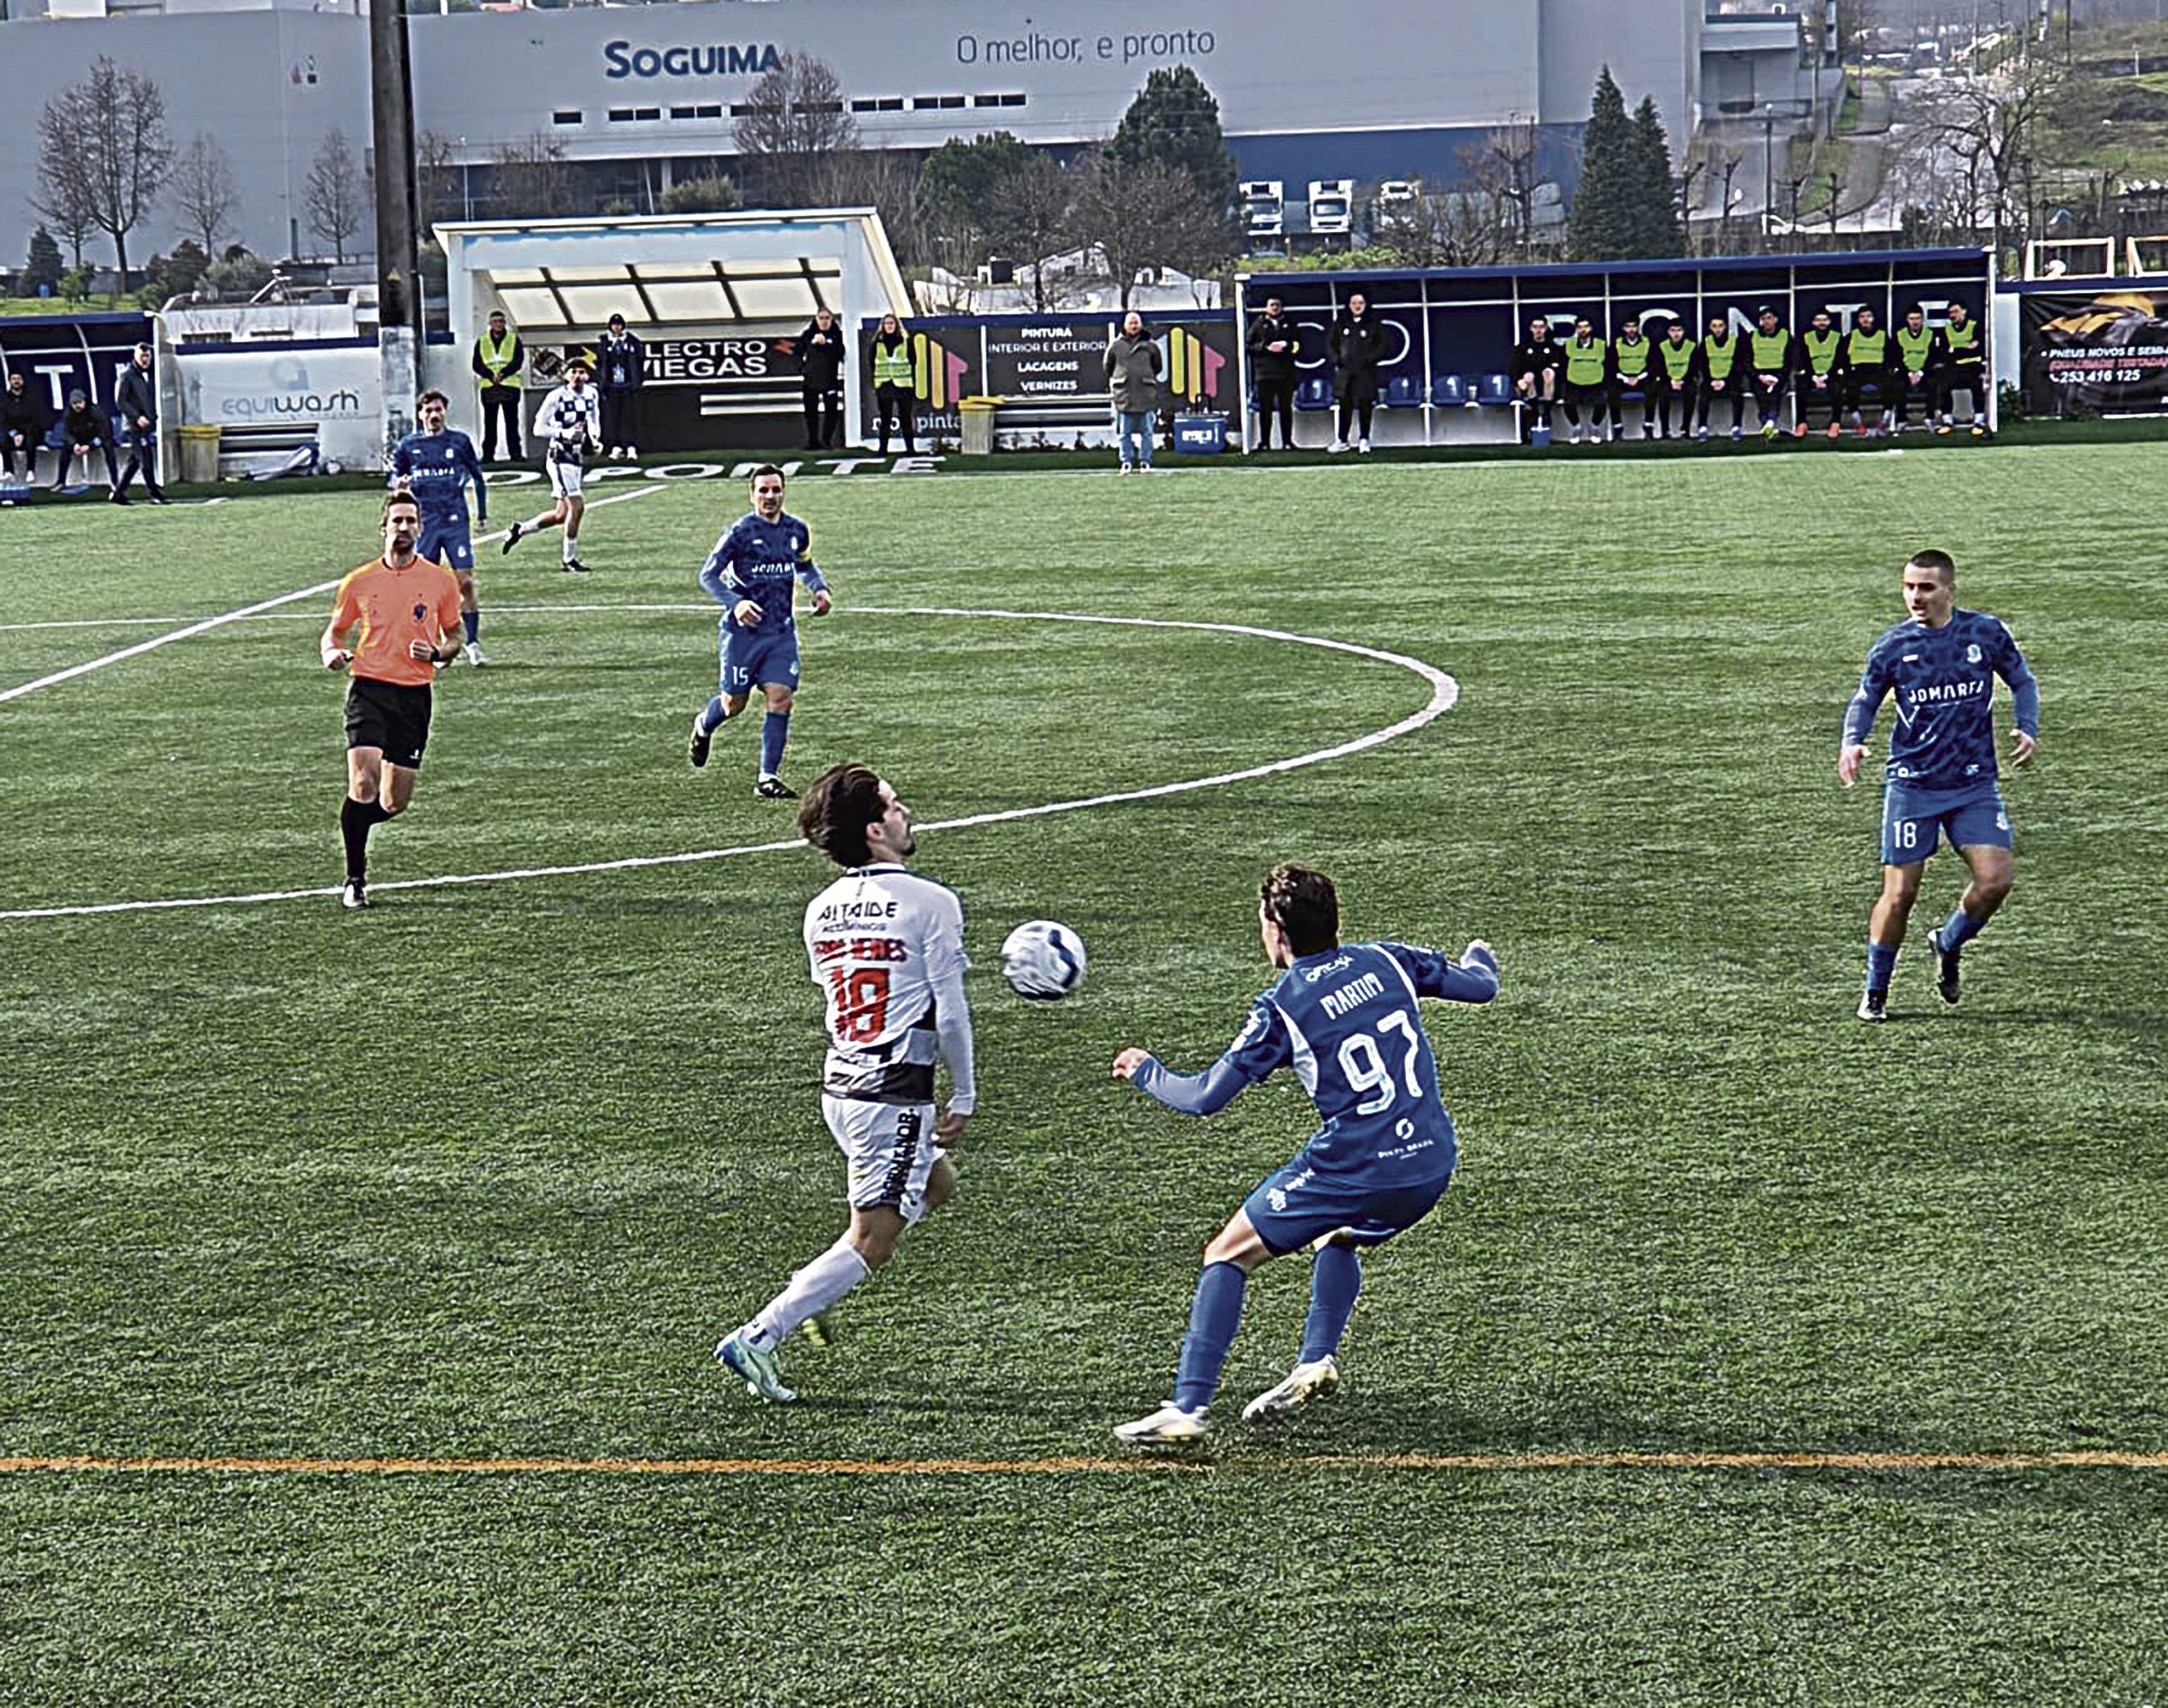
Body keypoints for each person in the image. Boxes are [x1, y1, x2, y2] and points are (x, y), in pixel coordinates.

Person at [1109, 863, 1501, 1445]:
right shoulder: (1387, 959)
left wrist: (1147, 1070)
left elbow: (1204, 1098)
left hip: (1358, 1166)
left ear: (1277, 930)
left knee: (1226, 1252)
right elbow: (1481, 986)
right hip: (1431, 1163)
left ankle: (1187, 1408)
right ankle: (1315, 1361)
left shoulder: (1282, 1007)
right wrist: (1479, 953)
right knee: (1337, 1232)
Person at [714, 763, 975, 1404]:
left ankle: (821, 1284)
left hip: (841, 1088)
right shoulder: (931, 903)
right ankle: (760, 1334)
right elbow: (949, 1010)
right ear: (875, 830)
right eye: (894, 804)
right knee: (873, 1240)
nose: (905, 811)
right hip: (891, 1096)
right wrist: (965, 1093)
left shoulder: (820, 911)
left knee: (937, 1182)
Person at [1839, 549, 2039, 1022]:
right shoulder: (1893, 646)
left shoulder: (1984, 633)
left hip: (1973, 783)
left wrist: (2027, 727)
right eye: (1909, 587)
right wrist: (1852, 742)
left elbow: (2022, 680)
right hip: (1913, 786)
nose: (1915, 596)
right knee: (1900, 895)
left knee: (1996, 881)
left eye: (1926, 587)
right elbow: (1866, 698)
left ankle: (1947, 942)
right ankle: (1875, 992)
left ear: (1950, 589)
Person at [318, 490, 465, 910]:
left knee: (393, 802)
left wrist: (438, 652)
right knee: (362, 782)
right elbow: (334, 632)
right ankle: (355, 879)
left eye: (410, 521)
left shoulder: (440, 581)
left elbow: (455, 634)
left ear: (420, 528)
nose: (404, 528)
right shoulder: (359, 581)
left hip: (414, 696)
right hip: (368, 689)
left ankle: (357, 824)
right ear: (383, 528)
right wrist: (331, 653)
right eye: (397, 521)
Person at [687, 464, 832, 799]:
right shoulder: (740, 533)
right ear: (752, 495)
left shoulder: (797, 530)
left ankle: (767, 777)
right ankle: (704, 725)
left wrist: (819, 588)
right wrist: (736, 603)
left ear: (783, 492)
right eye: (763, 490)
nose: (770, 496)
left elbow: (805, 564)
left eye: (776, 489)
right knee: (733, 704)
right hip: (742, 636)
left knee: (781, 698)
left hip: (780, 633)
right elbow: (708, 575)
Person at [390, 390, 489, 666]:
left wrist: (482, 513)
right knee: (425, 588)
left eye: (438, 410)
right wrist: (399, 490)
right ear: (420, 414)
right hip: (425, 526)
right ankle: (437, 646)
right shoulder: (408, 446)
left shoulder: (459, 441)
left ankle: (472, 643)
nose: (434, 415)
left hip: (455, 520)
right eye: (429, 410)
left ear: (445, 412)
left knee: (465, 582)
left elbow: (477, 477)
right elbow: (396, 481)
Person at [502, 357, 599, 573]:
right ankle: (569, 560)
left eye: (582, 372)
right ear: (565, 375)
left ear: (587, 375)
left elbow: (594, 419)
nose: (577, 376)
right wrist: (565, 434)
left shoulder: (592, 394)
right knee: (577, 507)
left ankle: (519, 530)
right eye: (573, 371)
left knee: (561, 515)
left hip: (576, 458)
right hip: (559, 457)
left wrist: (594, 439)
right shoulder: (556, 397)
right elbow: (538, 428)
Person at [1104, 309, 1163, 473]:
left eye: (1136, 322)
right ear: (1125, 325)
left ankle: (1145, 462)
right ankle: (1126, 462)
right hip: (1124, 395)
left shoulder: (1151, 346)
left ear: (1141, 325)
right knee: (1124, 433)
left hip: (1146, 395)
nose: (1134, 326)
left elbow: (1157, 366)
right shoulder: (1115, 346)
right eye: (1130, 323)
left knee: (1147, 433)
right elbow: (1108, 367)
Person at [1328, 291, 1385, 453]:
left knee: (1365, 405)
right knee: (1344, 406)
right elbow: (1331, 344)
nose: (1357, 306)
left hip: (1365, 372)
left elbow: (1383, 346)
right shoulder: (1341, 322)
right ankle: (1342, 440)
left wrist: (1370, 359)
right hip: (1345, 373)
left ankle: (1364, 439)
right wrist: (1337, 359)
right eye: (1354, 303)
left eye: (1360, 303)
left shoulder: (1373, 323)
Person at [113, 342, 169, 505]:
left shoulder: (146, 375)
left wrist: (152, 417)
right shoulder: (126, 375)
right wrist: (137, 417)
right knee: (145, 459)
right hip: (133, 426)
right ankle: (155, 493)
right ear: (135, 357)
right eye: (142, 356)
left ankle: (118, 494)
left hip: (144, 426)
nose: (145, 359)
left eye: (147, 356)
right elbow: (120, 401)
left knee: (135, 461)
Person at [471, 308, 524, 463]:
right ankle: (488, 455)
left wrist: (503, 374)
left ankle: (515, 454)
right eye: (495, 321)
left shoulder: (513, 339)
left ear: (505, 323)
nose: (498, 324)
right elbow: (476, 364)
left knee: (512, 422)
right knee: (490, 422)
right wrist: (490, 375)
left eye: (501, 321)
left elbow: (518, 360)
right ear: (490, 323)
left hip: (509, 385)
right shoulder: (482, 340)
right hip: (489, 386)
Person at [1247, 295, 1299, 451]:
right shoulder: (1259, 324)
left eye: (1277, 305)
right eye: (1272, 305)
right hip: (1265, 374)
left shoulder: (1289, 323)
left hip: (1285, 373)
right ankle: (1264, 442)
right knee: (1265, 410)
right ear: (1266, 307)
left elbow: (1298, 345)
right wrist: (1265, 347)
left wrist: (1287, 346)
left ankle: (1287, 442)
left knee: (1286, 409)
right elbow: (1249, 346)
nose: (1275, 308)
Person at [596, 312, 645, 460]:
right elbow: (600, 364)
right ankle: (616, 446)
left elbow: (640, 362)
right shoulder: (605, 343)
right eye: (614, 325)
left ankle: (631, 446)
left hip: (628, 386)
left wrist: (637, 381)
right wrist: (602, 383)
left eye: (619, 325)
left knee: (629, 418)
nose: (616, 328)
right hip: (611, 387)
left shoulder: (632, 342)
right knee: (613, 418)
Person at [796, 307, 846, 450]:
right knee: (811, 412)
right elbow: (797, 351)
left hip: (830, 379)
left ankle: (826, 441)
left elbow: (841, 353)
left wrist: (826, 344)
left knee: (831, 412)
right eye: (821, 318)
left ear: (832, 320)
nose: (824, 321)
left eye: (827, 318)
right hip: (810, 380)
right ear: (816, 319)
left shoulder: (837, 335)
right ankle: (813, 441)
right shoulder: (808, 334)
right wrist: (803, 368)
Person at [868, 312, 918, 456]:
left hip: (903, 385)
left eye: (891, 323)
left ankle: (910, 449)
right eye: (886, 323)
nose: (889, 326)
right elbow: (871, 362)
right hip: (884, 384)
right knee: (885, 418)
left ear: (896, 325)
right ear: (882, 326)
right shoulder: (877, 344)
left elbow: (913, 361)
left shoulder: (906, 342)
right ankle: (883, 449)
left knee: (905, 417)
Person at [1797, 309, 1850, 440]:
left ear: (1829, 322)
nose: (1821, 323)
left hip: (1831, 375)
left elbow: (1840, 360)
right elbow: (1804, 359)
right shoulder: (1807, 337)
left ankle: (1835, 423)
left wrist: (1826, 377)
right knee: (1801, 386)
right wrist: (1814, 377)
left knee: (1837, 388)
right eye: (1818, 320)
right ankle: (1801, 423)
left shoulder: (1837, 337)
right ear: (1813, 322)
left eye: (1824, 320)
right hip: (1812, 375)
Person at [1937, 301, 1988, 434]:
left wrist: (1956, 349)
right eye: (1950, 313)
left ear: (1964, 311)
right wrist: (1965, 347)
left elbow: (1976, 348)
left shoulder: (1974, 326)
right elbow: (1944, 351)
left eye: (1956, 311)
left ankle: (1979, 422)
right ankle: (1947, 421)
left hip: (1972, 364)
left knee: (1977, 386)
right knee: (1943, 385)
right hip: (1954, 365)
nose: (1953, 315)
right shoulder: (1946, 330)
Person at [1746, 305, 1797, 440]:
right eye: (1763, 319)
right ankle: (1767, 423)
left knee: (1776, 393)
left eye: (1769, 318)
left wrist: (1779, 377)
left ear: (1775, 320)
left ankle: (1770, 422)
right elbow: (1747, 360)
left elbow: (1790, 360)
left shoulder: (1785, 335)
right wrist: (1759, 376)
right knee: (1761, 395)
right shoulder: (1752, 336)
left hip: (1779, 374)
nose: (1766, 321)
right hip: (1759, 375)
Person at [1559, 314, 1611, 445]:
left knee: (1601, 403)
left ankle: (1594, 428)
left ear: (1591, 328)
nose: (1583, 330)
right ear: (1576, 329)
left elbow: (1609, 365)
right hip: (1574, 383)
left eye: (1586, 327)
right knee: (1568, 403)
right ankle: (1577, 428)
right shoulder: (1569, 345)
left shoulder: (1601, 345)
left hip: (1596, 383)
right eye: (1580, 327)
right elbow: (1563, 365)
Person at [1509, 315, 1563, 440]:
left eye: (1541, 327)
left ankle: (1546, 412)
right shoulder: (1523, 348)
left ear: (1546, 328)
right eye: (1535, 327)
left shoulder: (1554, 348)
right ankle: (1535, 411)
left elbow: (1560, 370)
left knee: (1549, 373)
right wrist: (1519, 381)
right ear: (1531, 329)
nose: (1538, 330)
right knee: (1528, 375)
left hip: (1550, 388)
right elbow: (1514, 370)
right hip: (1529, 387)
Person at [1844, 305, 1894, 438]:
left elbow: (1891, 357)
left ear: (1873, 318)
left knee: (1891, 385)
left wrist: (1886, 369)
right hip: (1858, 371)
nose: (1865, 319)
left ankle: (1884, 422)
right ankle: (1858, 423)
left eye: (1868, 316)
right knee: (1850, 386)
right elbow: (1843, 358)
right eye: (1862, 317)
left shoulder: (1882, 335)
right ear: (1858, 320)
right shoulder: (1851, 337)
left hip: (1878, 370)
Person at [58, 390, 120, 494]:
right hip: (79, 438)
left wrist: (91, 445)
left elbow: (105, 431)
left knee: (109, 447)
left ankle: (115, 481)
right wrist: (74, 444)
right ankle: (60, 481)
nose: (77, 406)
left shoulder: (95, 411)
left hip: (96, 437)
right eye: (74, 403)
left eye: (79, 402)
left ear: (85, 401)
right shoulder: (68, 413)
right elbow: (66, 432)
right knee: (65, 449)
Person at [1893, 307, 1943, 433]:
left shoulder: (1930, 334)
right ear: (1907, 320)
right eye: (1912, 319)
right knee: (1898, 385)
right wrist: (1909, 373)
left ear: (1922, 319)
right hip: (1906, 372)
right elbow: (1897, 357)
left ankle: (1930, 418)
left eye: (1917, 318)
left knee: (1933, 383)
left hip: (1924, 371)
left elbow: (1933, 356)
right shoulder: (1900, 335)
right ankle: (1901, 420)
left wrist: (1920, 373)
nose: (1915, 322)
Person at [1650, 318, 1701, 440]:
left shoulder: (1691, 346)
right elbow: (1659, 368)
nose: (1676, 334)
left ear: (1684, 332)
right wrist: (1671, 381)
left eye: (1679, 330)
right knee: (1662, 393)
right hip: (1668, 381)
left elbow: (1694, 368)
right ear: (1668, 332)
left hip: (1686, 381)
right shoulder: (1662, 346)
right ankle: (1665, 430)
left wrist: (1683, 381)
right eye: (1673, 330)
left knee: (1691, 391)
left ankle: (1685, 429)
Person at [1698, 313, 1744, 441]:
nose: (1717, 329)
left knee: (1737, 394)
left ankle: (1736, 427)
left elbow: (1739, 365)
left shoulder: (1734, 342)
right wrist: (1712, 381)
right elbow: (1702, 365)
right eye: (1714, 326)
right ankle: (1702, 427)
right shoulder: (1706, 343)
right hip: (1711, 381)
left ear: (1726, 327)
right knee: (1703, 395)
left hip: (1729, 381)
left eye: (1720, 326)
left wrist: (1725, 381)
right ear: (1710, 328)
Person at [1610, 313, 1654, 440]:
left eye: (1634, 326)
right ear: (1624, 328)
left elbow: (1653, 364)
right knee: (1612, 392)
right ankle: (1617, 428)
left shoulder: (1647, 342)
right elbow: (1611, 366)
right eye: (1628, 327)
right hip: (1622, 378)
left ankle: (1648, 426)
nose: (1631, 330)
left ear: (1638, 327)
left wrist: (1638, 378)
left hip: (1642, 378)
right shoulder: (1617, 343)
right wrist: (1625, 378)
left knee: (1653, 389)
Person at [2, 370, 47, 489]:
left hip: (31, 431)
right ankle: (9, 472)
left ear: (22, 381)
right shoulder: (5, 399)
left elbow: (36, 419)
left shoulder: (32, 397)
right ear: (9, 381)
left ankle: (30, 471)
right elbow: (3, 420)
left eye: (18, 379)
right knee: (3, 441)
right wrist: (14, 433)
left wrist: (23, 433)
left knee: (30, 440)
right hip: (13, 433)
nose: (16, 381)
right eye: (14, 379)